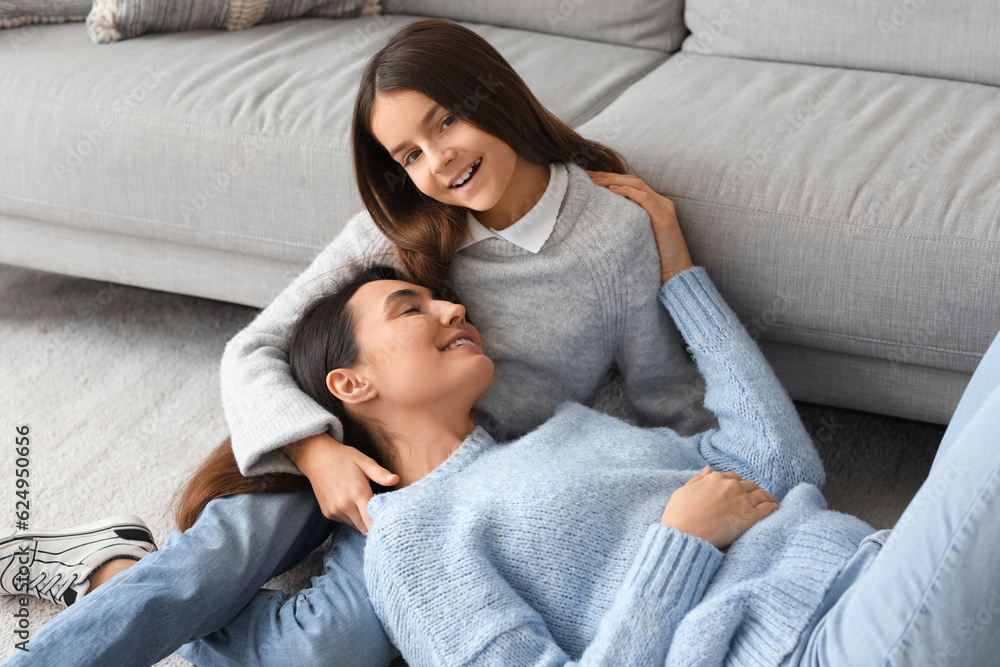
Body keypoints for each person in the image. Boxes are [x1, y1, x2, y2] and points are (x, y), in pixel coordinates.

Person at [0, 17, 720, 664]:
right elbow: (253, 349)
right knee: (205, 571)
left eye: (444, 125)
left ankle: (113, 568)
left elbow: (665, 395)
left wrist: (711, 494)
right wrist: (318, 454)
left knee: (332, 648)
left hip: (452, 489)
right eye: (407, 154)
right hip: (339, 437)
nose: (436, 165)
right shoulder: (400, 227)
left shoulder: (613, 235)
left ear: (493, 93)